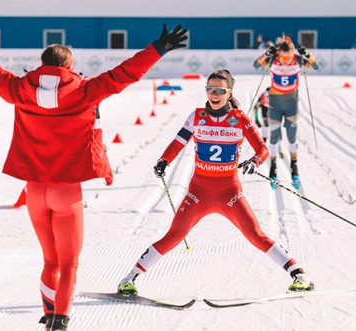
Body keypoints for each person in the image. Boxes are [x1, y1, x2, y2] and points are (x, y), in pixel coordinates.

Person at [0, 24, 187, 330]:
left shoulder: (19, 88)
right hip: (66, 191)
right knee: (68, 264)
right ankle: (60, 320)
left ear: (42, 64)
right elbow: (125, 73)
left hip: (34, 191)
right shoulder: (84, 90)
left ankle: (49, 314)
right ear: (69, 66)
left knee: (50, 262)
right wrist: (159, 48)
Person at [117, 69, 314, 297]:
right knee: (174, 235)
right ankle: (128, 279)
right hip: (198, 192)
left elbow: (262, 149)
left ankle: (299, 274)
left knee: (255, 234)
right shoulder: (196, 116)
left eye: (219, 90)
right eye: (210, 89)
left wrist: (254, 161)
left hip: (229, 192)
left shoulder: (240, 119)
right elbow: (178, 142)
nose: (214, 94)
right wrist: (163, 161)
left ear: (229, 92)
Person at [252, 40, 319, 189]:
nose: (286, 61)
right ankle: (273, 169)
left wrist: (307, 54)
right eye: (283, 58)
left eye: (289, 58)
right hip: (274, 104)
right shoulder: (273, 59)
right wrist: (267, 53)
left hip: (291, 104)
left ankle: (294, 169)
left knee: (291, 137)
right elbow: (256, 65)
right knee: (274, 137)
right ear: (278, 54)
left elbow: (316, 66)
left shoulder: (298, 60)